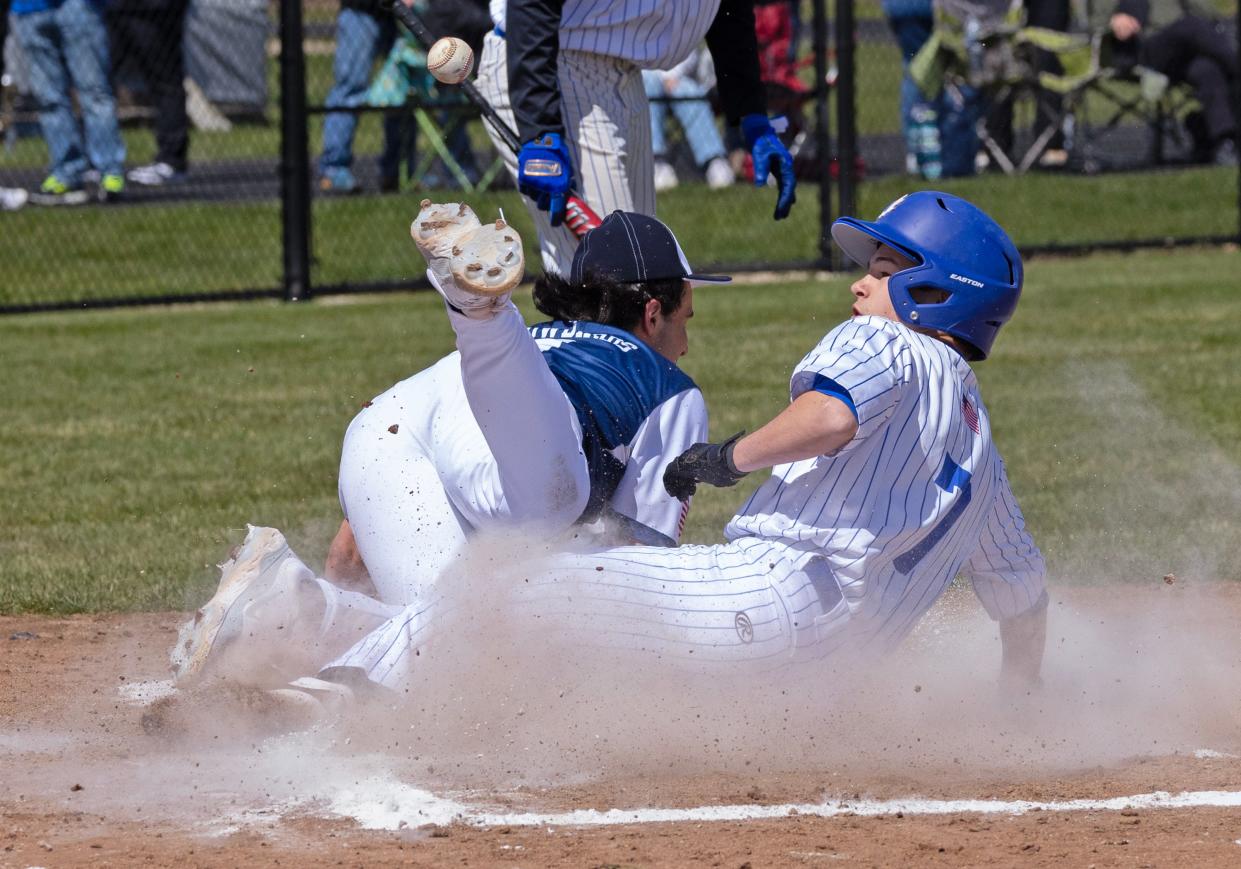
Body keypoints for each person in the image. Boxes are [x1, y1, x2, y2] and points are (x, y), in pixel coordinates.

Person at [187, 192, 1046, 712]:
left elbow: (828, 417)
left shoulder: (893, 345)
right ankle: (312, 626)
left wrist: (728, 457)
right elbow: (1022, 595)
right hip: (808, 680)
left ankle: (327, 699)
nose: (861, 282)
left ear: (939, 292)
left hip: (768, 595)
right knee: (528, 624)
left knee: (509, 587)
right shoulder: (979, 455)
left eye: (888, 266)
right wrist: (1018, 704)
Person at [171, 202, 729, 686]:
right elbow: (643, 568)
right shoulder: (669, 387)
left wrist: (350, 587)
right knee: (549, 512)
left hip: (391, 422)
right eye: (686, 318)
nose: (686, 342)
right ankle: (477, 307)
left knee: (451, 639)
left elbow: (349, 553)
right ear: (652, 313)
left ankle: (295, 605)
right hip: (525, 450)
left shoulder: (542, 343)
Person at [475, 0, 798, 275]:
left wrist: (752, 115)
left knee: (642, 270)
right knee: (613, 277)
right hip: (552, 68)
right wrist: (541, 129)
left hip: (624, 73)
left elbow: (728, 9)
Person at [11, 0, 127, 204]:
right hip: (29, 10)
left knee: (95, 93)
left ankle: (110, 172)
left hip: (77, 6)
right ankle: (66, 171)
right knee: (48, 99)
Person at [1103, 0, 1238, 166]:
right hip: (1140, 48)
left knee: (1207, 70)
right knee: (1191, 25)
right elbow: (1108, 17)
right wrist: (1118, 17)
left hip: (1184, 51)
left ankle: (1222, 141)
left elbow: (1209, 14)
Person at [317, 0, 413, 194]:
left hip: (398, 13)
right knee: (351, 88)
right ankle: (334, 168)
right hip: (361, 9)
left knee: (404, 89)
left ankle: (398, 171)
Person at [106, 0, 191, 186]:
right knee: (101, 80)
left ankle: (171, 161)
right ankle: (100, 161)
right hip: (116, 8)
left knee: (165, 80)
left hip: (156, 9)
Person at [643, 50, 736, 192]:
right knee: (648, 84)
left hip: (678, 75)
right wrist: (660, 78)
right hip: (643, 76)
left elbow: (690, 48)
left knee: (689, 91)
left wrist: (672, 75)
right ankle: (657, 161)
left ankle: (714, 160)